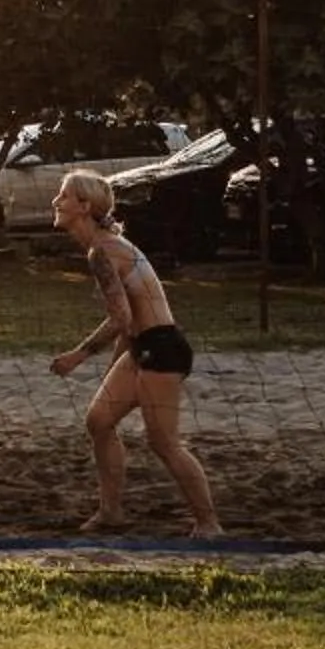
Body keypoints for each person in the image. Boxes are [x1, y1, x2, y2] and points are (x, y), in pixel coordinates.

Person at [47, 170, 223, 534]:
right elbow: (130, 321)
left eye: (63, 196)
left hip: (162, 349)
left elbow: (121, 317)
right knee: (98, 421)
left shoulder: (102, 251)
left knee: (163, 443)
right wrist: (117, 365)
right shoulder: (106, 245)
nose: (55, 201)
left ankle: (209, 524)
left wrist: (77, 356)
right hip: (143, 346)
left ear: (84, 206)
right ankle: (111, 512)